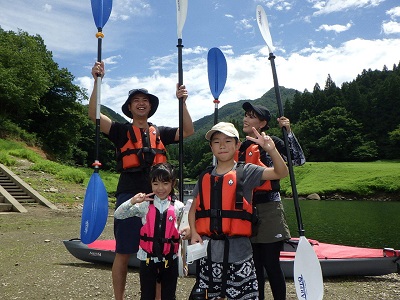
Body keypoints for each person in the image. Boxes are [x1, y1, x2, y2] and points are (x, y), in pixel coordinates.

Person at [88, 61, 195, 300]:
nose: (141, 102)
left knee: (159, 250)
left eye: (145, 100)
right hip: (129, 194)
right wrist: (97, 81)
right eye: (136, 100)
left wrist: (183, 102)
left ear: (150, 107)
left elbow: (188, 131)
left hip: (160, 196)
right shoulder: (120, 131)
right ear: (129, 107)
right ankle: (119, 297)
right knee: (124, 251)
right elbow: (94, 114)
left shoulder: (161, 132)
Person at [188, 122, 289, 300]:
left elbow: (280, 173)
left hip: (240, 253)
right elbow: (194, 209)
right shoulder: (205, 176)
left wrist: (271, 150)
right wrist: (194, 232)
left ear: (237, 145)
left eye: (228, 141)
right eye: (217, 141)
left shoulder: (247, 171)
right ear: (211, 147)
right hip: (209, 254)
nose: (222, 145)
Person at [238, 102, 306, 300]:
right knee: (254, 264)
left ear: (262, 123)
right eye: (245, 115)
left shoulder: (273, 141)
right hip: (247, 210)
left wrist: (288, 132)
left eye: (251, 116)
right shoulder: (241, 146)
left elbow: (297, 160)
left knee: (271, 262)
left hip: (269, 208)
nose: (245, 118)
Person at [114, 163, 185, 300]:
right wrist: (133, 201)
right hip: (147, 259)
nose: (160, 188)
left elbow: (184, 229)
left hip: (170, 259)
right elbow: (118, 215)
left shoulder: (179, 207)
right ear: (151, 184)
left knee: (169, 295)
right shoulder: (144, 205)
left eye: (165, 183)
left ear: (173, 183)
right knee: (147, 295)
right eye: (156, 184)